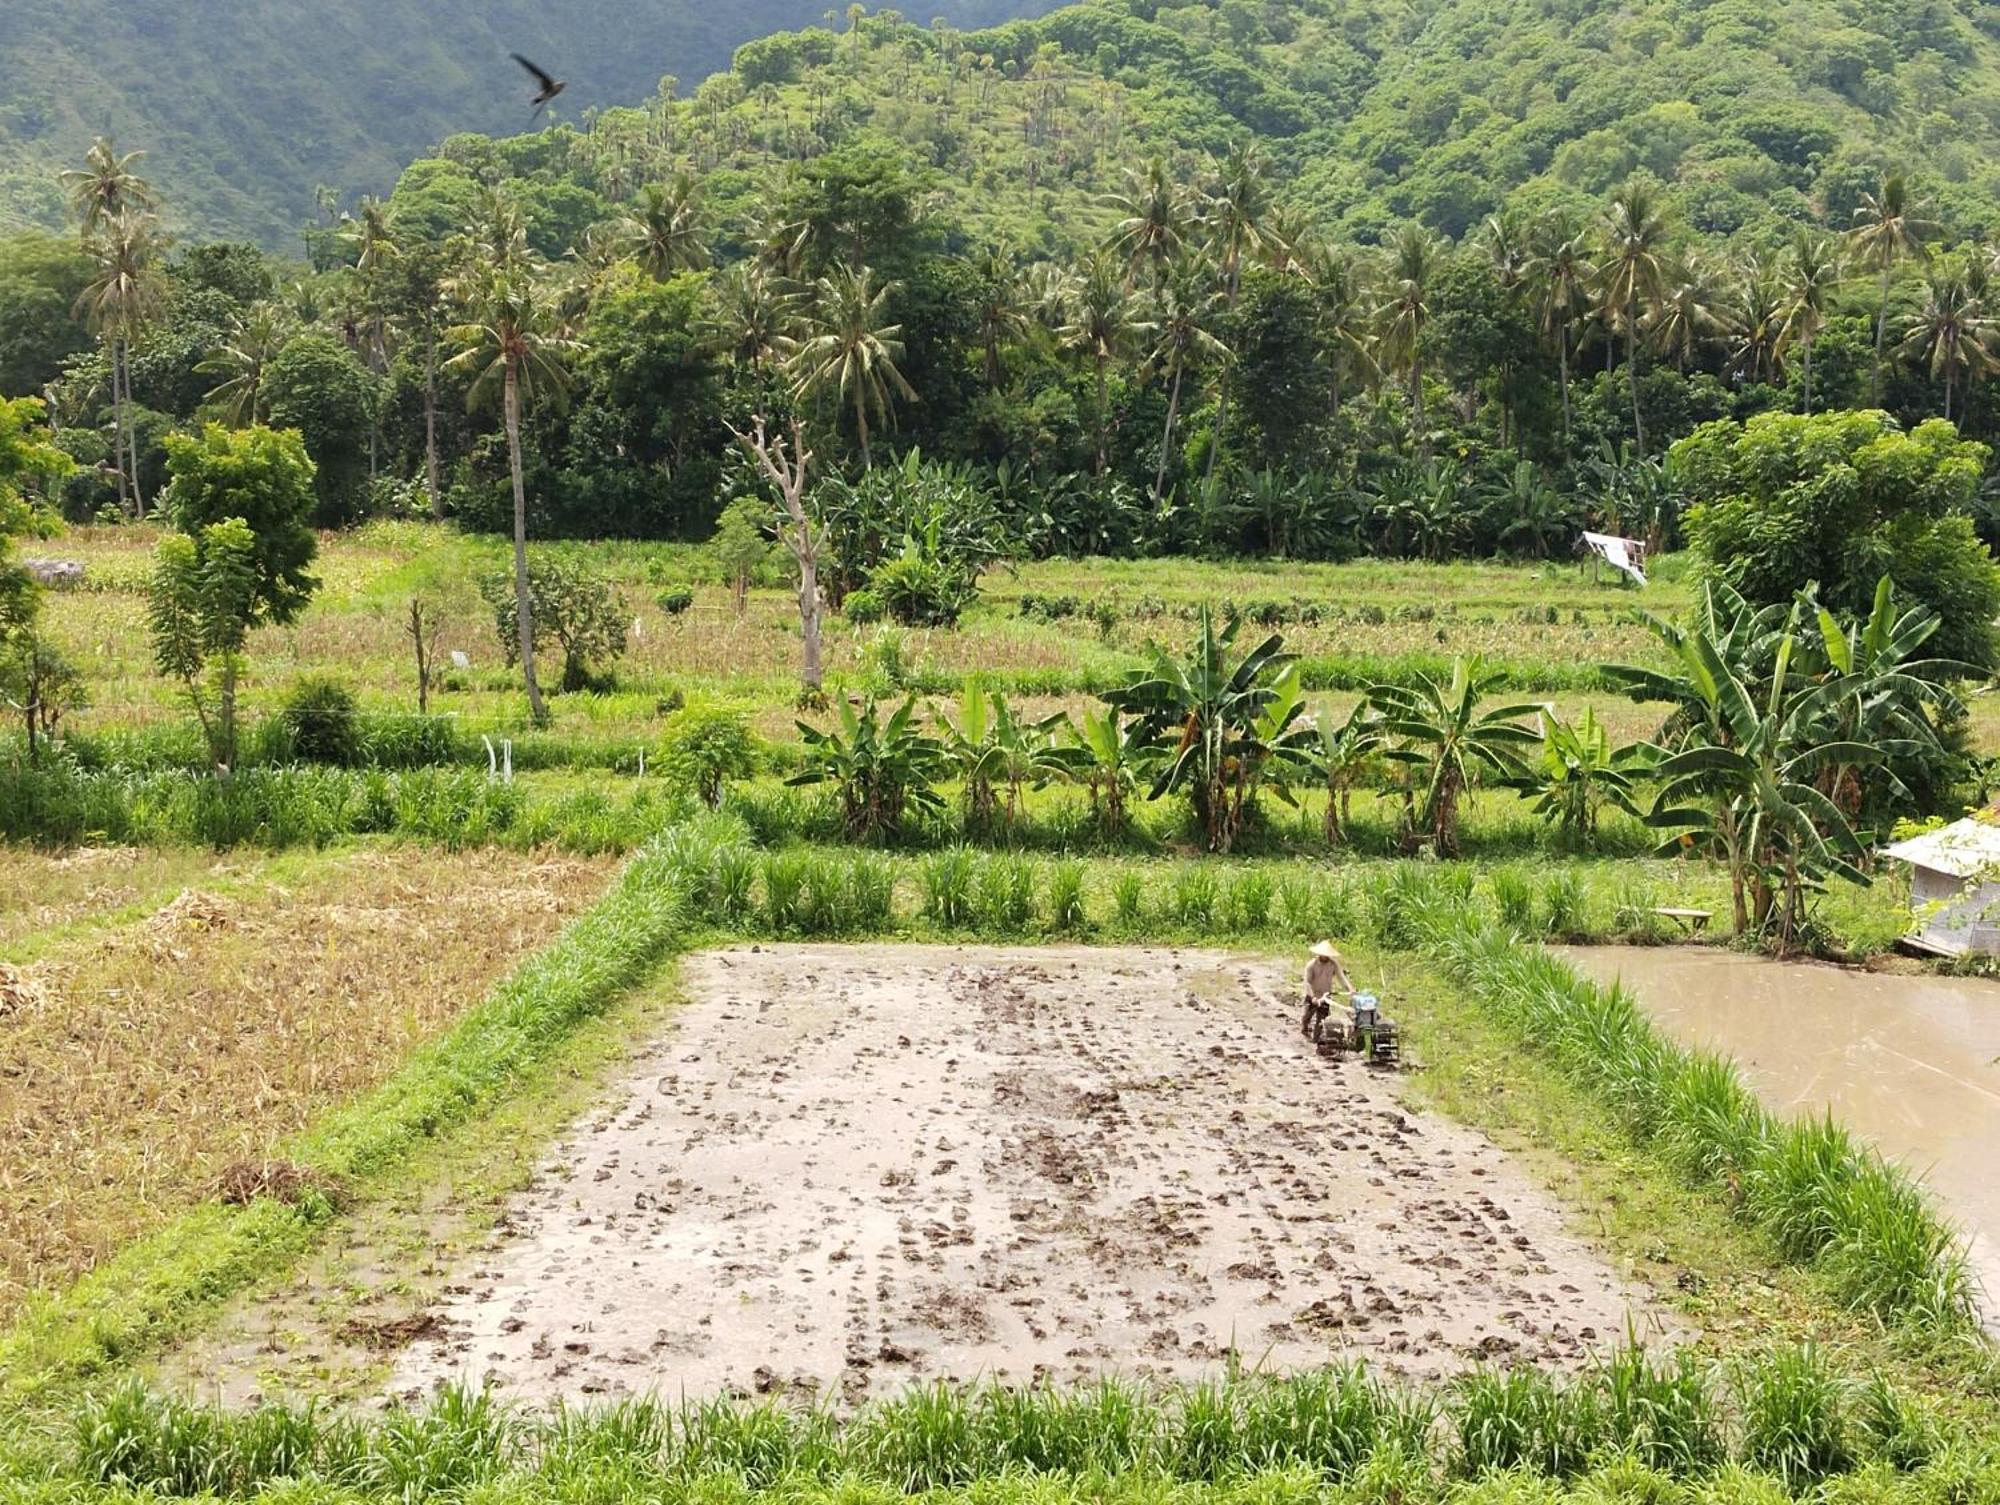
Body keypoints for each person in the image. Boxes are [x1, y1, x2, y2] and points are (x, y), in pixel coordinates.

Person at [1299, 940, 1353, 1037]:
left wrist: (1350, 988)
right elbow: (1307, 982)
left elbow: (1341, 977)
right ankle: (1304, 1029)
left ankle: (1316, 1038)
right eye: (1323, 954)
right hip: (1313, 994)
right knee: (1306, 1017)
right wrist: (1313, 997)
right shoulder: (1311, 965)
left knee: (1322, 1019)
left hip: (1325, 996)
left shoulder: (1333, 964)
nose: (1325, 956)